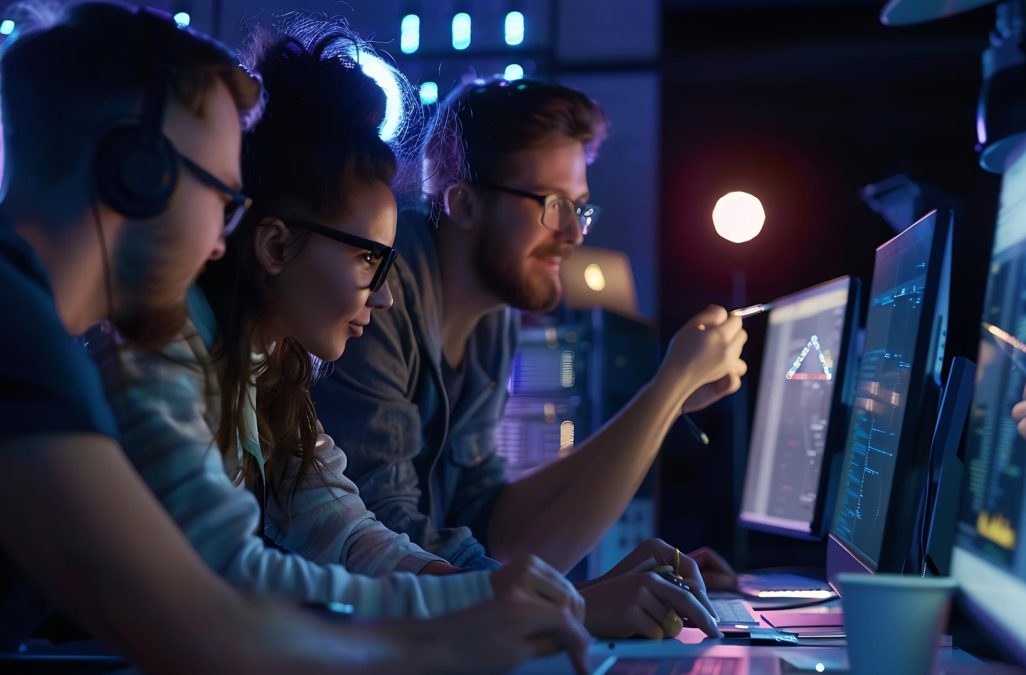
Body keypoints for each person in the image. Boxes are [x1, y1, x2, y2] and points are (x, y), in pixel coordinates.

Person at [0, 5, 588, 673]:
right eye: (225, 197)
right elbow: (207, 611)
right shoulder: (25, 333)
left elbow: (304, 552)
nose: (226, 239)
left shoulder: (34, 326)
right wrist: (445, 632)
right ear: (137, 176)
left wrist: (481, 603)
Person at [312, 78, 748, 601]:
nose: (575, 234)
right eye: (554, 204)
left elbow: (494, 527)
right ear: (464, 204)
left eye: (579, 207)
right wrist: (667, 389)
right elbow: (392, 547)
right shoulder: (380, 295)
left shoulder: (492, 320)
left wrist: (668, 395)